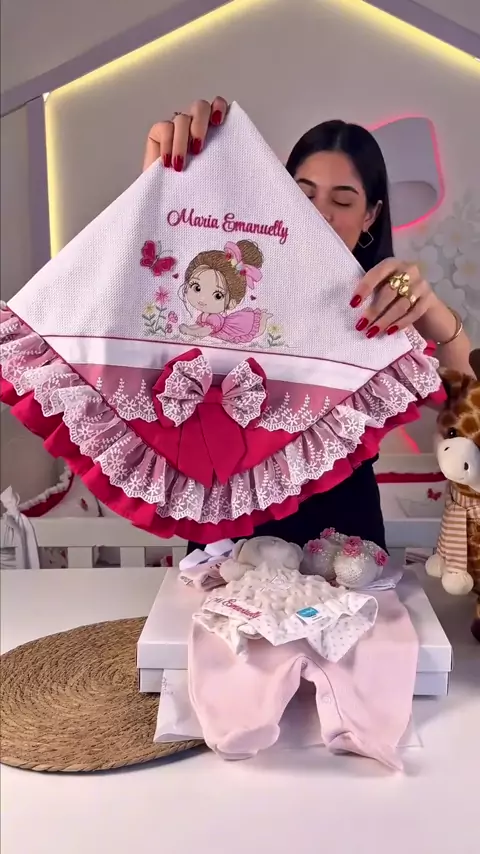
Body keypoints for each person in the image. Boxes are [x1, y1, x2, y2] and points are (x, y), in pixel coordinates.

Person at [143, 97, 473, 552]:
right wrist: (160, 185)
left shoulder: (383, 305)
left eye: (343, 200)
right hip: (229, 539)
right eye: (304, 194)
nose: (321, 213)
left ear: (371, 215)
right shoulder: (231, 286)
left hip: (346, 547)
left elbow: (468, 409)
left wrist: (437, 314)